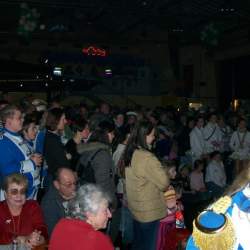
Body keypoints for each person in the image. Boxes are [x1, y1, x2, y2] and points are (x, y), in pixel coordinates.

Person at [123, 120, 169, 250]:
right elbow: (164, 183)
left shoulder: (130, 152)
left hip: (137, 208)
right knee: (149, 246)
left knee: (138, 245)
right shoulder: (147, 157)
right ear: (145, 136)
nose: (154, 138)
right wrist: (162, 170)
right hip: (149, 211)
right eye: (152, 135)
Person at [186, 162, 250, 250]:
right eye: (201, 166)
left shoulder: (202, 173)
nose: (202, 167)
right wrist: (199, 189)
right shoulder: (219, 218)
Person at [49, 184, 113, 250]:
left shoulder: (61, 225)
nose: (110, 215)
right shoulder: (98, 240)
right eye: (105, 210)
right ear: (90, 215)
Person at [0, 105, 42, 200]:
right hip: (16, 194)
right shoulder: (2, 141)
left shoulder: (16, 136)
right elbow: (6, 169)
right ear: (9, 121)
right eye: (19, 118)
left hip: (29, 189)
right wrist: (32, 163)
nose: (22, 120)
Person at [0, 173, 48, 248]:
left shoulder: (33, 206)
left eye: (22, 191)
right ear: (5, 194)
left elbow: (42, 228)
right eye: (14, 192)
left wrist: (38, 238)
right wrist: (19, 238)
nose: (19, 195)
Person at [41, 168, 77, 237]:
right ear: (57, 185)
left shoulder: (78, 193)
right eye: (68, 184)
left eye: (74, 183)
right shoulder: (49, 203)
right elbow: (53, 234)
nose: (73, 187)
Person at [43, 108, 70, 186]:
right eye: (63, 119)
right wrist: (67, 156)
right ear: (56, 121)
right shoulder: (52, 140)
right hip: (56, 179)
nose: (65, 121)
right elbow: (63, 163)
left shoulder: (52, 136)